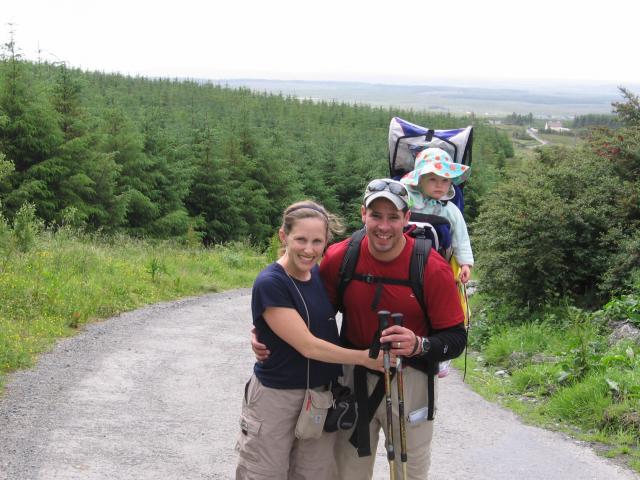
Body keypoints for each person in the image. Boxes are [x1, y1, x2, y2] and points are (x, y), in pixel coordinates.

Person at [253, 181, 467, 480]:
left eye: (393, 217)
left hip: (411, 377)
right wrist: (263, 331)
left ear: (407, 219)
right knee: (346, 471)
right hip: (352, 378)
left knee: (410, 473)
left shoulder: (430, 268)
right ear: (363, 214)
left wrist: (419, 345)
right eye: (376, 215)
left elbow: (457, 338)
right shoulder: (341, 258)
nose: (384, 225)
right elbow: (306, 310)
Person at [236, 200, 383, 480]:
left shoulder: (318, 273)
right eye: (300, 239)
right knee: (264, 473)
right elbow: (307, 345)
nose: (309, 249)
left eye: (317, 241)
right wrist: (364, 358)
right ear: (284, 236)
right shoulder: (271, 282)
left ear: (327, 240)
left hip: (318, 398)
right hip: (276, 397)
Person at [400, 147, 474, 284]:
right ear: (420, 180)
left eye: (445, 180)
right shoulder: (407, 199)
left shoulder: (450, 210)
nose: (439, 185)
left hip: (437, 263)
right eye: (433, 179)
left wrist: (465, 264)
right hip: (402, 258)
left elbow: (461, 237)